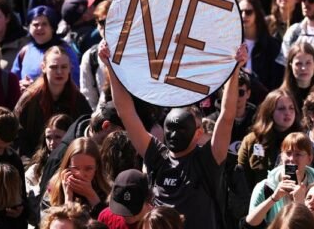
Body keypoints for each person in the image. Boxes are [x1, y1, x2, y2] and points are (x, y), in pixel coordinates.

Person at [103, 40, 247, 228]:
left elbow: (227, 116)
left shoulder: (208, 160)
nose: (174, 134)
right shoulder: (156, 156)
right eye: (170, 128)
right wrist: (111, 66)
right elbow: (126, 113)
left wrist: (234, 69)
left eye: (182, 129)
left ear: (198, 133)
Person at [14, 45, 91, 158]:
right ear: (43, 67)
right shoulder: (30, 99)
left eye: (64, 67)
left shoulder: (77, 99)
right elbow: (18, 136)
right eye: (54, 67)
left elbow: (85, 132)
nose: (59, 71)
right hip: (32, 160)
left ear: (70, 68)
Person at [245, 132, 314, 226]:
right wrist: (273, 198)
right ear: (281, 156)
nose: (292, 159)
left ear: (309, 159)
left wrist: (300, 204)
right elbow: (249, 224)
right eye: (288, 153)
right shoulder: (265, 187)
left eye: (298, 154)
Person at [239, 88, 302, 190]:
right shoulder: (252, 141)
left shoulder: (302, 141)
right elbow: (241, 178)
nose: (288, 113)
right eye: (281, 108)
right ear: (269, 111)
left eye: (291, 108)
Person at [12, 6, 81, 90]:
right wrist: (20, 85)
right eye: (35, 25)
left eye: (44, 24)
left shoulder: (65, 52)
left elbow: (75, 84)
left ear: (52, 27)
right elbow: (13, 81)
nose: (40, 28)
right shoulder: (25, 51)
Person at [41, 137, 110, 219]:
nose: (81, 174)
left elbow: (109, 223)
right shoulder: (54, 188)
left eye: (88, 169)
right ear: (67, 166)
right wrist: (68, 199)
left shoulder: (106, 189)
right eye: (75, 168)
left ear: (97, 168)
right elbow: (47, 223)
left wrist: (92, 196)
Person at [239, 0, 283, 92]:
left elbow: (276, 80)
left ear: (257, 14)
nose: (243, 15)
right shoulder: (231, 42)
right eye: (240, 11)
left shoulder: (272, 45)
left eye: (248, 12)